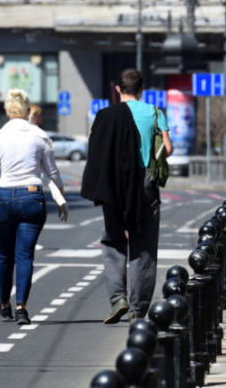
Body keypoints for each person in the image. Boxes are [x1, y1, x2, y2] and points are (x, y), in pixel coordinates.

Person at [81, 68, 174, 325]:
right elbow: (167, 148)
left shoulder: (105, 115)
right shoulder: (155, 113)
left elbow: (97, 153)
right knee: (143, 244)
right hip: (144, 181)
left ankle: (117, 298)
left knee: (113, 239)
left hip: (114, 185)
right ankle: (137, 309)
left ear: (118, 89)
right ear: (142, 89)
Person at [0, 89, 68, 325]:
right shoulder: (40, 136)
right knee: (25, 255)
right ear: (28, 111)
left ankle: (4, 304)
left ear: (7, 111)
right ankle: (21, 308)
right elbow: (53, 173)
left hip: (2, 199)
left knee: (4, 256)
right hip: (31, 198)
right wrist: (61, 199)